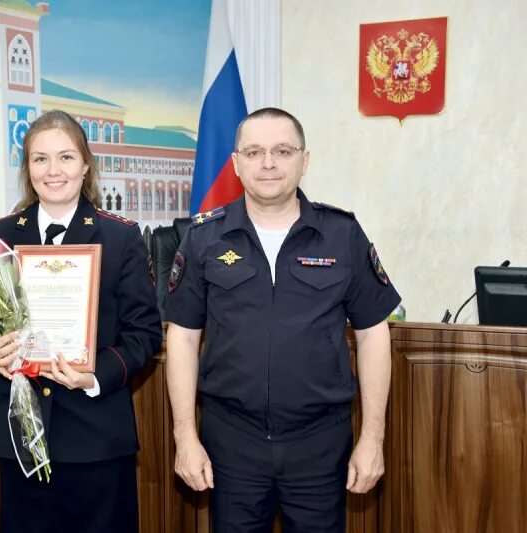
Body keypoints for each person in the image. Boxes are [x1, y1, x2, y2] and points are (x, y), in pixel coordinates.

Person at [165, 107, 401, 532]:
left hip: (319, 443)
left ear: (304, 161)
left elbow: (372, 335)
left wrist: (373, 438)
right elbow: (181, 338)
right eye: (254, 152)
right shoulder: (204, 236)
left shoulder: (342, 234)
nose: (268, 163)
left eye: (282, 151)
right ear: (236, 164)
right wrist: (185, 437)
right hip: (231, 441)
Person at [0, 110, 162, 533]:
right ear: (27, 169)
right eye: (40, 159)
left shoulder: (120, 237)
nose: (53, 171)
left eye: (66, 158)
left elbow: (144, 334)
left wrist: (92, 376)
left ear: (86, 164)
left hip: (97, 437)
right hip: (22, 438)